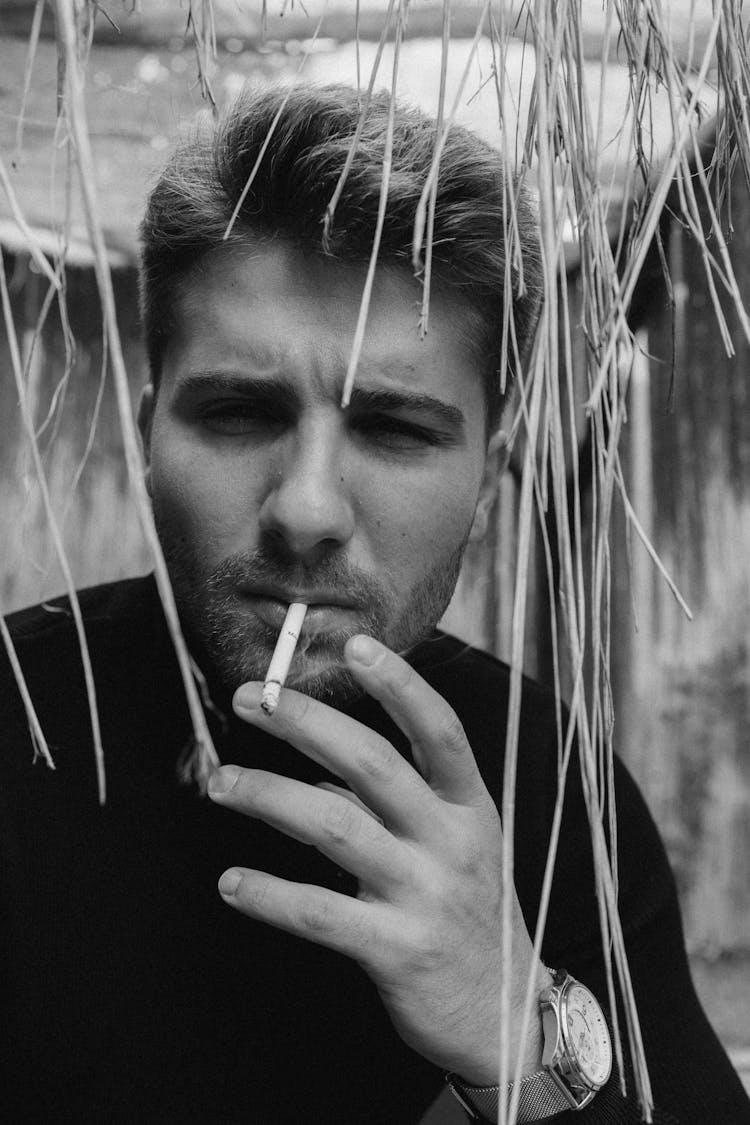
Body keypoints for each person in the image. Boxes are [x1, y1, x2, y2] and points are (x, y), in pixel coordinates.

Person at [1, 83, 748, 1125]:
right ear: (144, 438)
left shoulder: (548, 790)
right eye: (236, 411)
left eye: (396, 430)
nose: (306, 510)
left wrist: (517, 1038)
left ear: (486, 479)